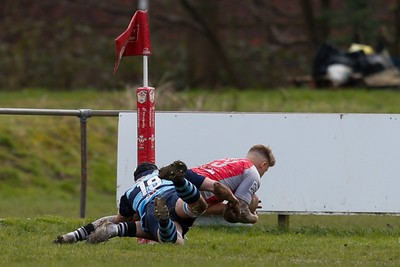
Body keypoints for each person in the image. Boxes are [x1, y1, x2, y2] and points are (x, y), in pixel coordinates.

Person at [54, 160, 239, 245]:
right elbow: (215, 186)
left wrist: (78, 234)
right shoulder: (163, 175)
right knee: (198, 207)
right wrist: (234, 201)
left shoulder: (130, 193)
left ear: (137, 178)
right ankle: (180, 182)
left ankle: (108, 232)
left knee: (168, 237)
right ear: (156, 169)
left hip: (149, 208)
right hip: (173, 196)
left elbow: (118, 218)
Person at [185, 144, 275, 224]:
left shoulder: (229, 162)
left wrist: (229, 206)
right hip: (192, 191)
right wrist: (253, 216)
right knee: (254, 198)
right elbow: (240, 212)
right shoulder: (253, 173)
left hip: (182, 183)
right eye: (265, 170)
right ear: (263, 164)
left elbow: (205, 208)